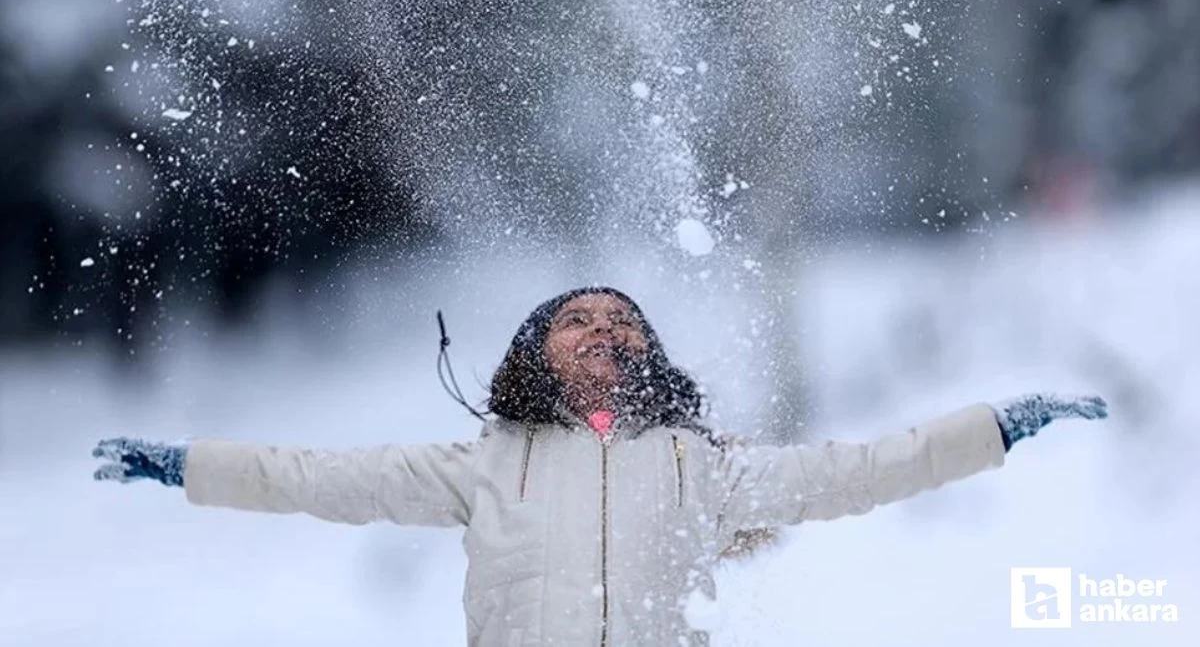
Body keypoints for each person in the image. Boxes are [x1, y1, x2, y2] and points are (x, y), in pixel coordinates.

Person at [92, 286, 1108, 646]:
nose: (603, 329)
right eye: (577, 319)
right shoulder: (482, 462)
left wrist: (997, 426)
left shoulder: (703, 468)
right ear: (536, 352)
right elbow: (313, 474)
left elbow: (863, 468)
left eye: (623, 321)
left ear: (649, 355)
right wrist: (188, 465)